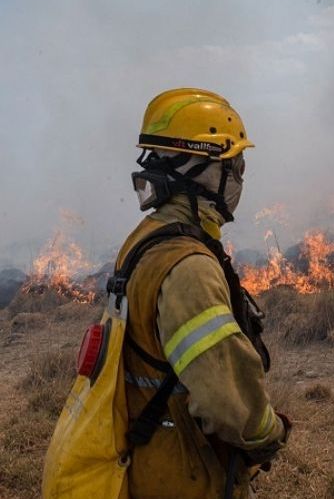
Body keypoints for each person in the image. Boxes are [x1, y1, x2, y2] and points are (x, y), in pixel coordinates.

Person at [45, 88, 289, 499]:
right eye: (234, 164)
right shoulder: (188, 266)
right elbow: (225, 398)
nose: (239, 178)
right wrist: (270, 433)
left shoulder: (145, 240)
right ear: (202, 171)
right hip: (179, 473)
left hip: (144, 459)